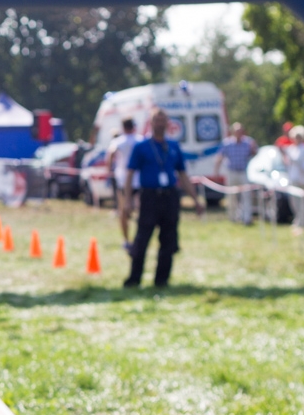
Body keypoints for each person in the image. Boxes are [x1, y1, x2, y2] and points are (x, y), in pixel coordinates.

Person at [121, 109, 204, 288]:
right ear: (151, 123)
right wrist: (128, 200)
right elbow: (130, 174)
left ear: (168, 124)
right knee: (142, 239)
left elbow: (183, 175)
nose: (160, 124)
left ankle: (162, 280)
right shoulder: (141, 147)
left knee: (169, 240)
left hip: (170, 197)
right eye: (157, 120)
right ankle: (134, 279)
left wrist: (196, 200)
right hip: (150, 196)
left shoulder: (173, 147)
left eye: (163, 120)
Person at [107, 118, 140, 242]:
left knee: (123, 211)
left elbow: (110, 155)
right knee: (140, 211)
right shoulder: (140, 140)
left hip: (122, 180)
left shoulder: (118, 142)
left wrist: (109, 169)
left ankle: (126, 240)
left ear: (123, 127)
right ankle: (139, 238)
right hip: (138, 180)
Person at [219, 122, 258, 225]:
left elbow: (255, 155)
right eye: (236, 131)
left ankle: (247, 218)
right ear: (232, 132)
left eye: (240, 131)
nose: (238, 133)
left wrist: (253, 149)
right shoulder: (227, 143)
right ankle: (233, 217)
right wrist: (216, 171)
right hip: (231, 172)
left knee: (246, 196)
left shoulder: (249, 142)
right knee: (231, 196)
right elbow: (220, 156)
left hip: (243, 172)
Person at [278, 125, 304, 227]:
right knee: (294, 202)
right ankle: (297, 219)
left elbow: (298, 160)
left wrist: (287, 154)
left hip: (301, 179)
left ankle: (302, 221)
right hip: (293, 178)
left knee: (301, 202)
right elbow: (287, 162)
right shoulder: (292, 148)